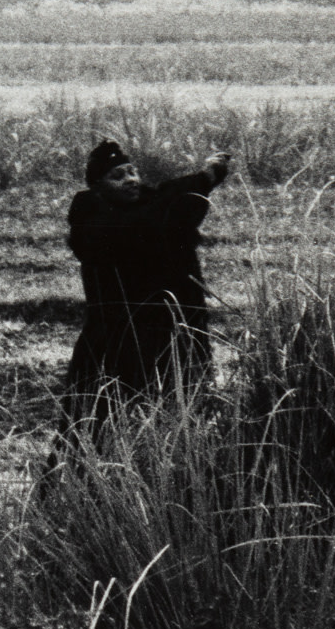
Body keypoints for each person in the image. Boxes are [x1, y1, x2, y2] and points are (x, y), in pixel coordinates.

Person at [60, 139, 231, 435]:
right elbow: (156, 219)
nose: (130, 180)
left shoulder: (153, 204)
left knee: (179, 413)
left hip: (172, 330)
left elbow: (173, 204)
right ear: (99, 187)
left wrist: (206, 179)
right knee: (103, 416)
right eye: (118, 176)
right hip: (119, 338)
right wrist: (205, 178)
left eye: (132, 172)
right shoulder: (94, 221)